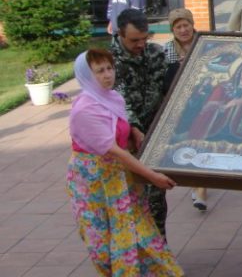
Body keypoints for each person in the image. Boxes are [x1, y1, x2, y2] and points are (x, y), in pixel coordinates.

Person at [67, 49, 183, 276]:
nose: (107, 75)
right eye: (99, 71)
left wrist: (134, 131)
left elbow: (120, 128)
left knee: (137, 227)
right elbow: (115, 151)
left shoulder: (112, 98)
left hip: (120, 175)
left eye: (109, 68)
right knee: (102, 238)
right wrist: (152, 176)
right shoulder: (84, 110)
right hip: (94, 180)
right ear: (86, 75)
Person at [110, 9, 169, 237]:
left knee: (156, 197)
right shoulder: (109, 63)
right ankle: (134, 249)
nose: (141, 44)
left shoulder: (155, 54)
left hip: (154, 135)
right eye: (135, 40)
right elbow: (119, 100)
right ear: (120, 34)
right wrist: (134, 127)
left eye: (145, 38)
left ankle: (159, 246)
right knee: (130, 199)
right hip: (126, 140)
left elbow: (170, 88)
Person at [161, 8, 210, 212]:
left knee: (203, 140)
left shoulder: (206, 43)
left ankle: (201, 187)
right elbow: (164, 82)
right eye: (178, 27)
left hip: (205, 103)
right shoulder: (167, 51)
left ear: (192, 24)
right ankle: (197, 184)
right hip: (182, 106)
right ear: (172, 30)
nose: (183, 30)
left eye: (186, 25)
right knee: (188, 141)